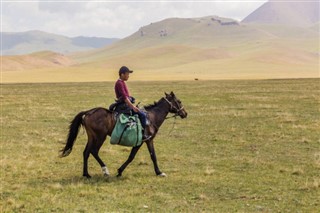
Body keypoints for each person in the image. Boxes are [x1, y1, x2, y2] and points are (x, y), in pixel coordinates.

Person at [114, 66, 151, 141]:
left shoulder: (121, 82)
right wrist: (133, 107)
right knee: (142, 115)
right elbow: (124, 97)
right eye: (127, 74)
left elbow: (126, 96)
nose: (128, 76)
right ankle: (143, 135)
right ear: (122, 74)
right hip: (123, 106)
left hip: (125, 104)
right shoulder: (119, 83)